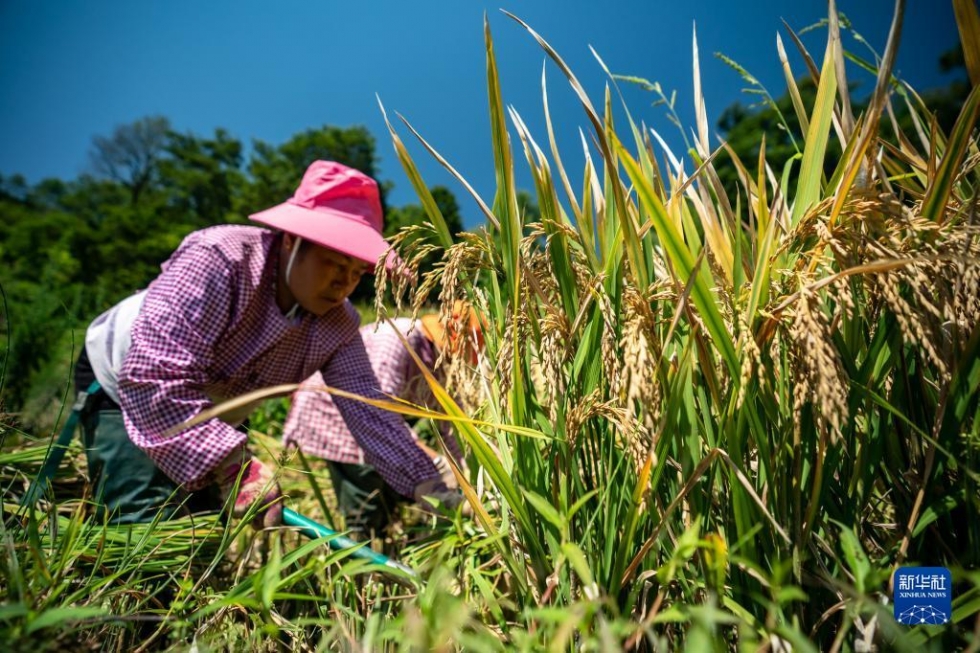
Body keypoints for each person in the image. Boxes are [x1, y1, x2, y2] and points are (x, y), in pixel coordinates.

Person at [75, 160, 460, 527]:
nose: (345, 284)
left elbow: (372, 416)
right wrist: (233, 465)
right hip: (125, 382)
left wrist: (438, 491)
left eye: (358, 272)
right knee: (146, 524)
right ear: (293, 240)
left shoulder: (338, 324)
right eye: (336, 264)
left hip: (216, 408)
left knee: (201, 529)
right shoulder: (219, 260)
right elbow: (155, 376)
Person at [282, 304, 483, 538]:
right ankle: (360, 565)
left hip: (380, 425)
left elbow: (452, 424)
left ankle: (388, 548)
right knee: (366, 503)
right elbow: (377, 416)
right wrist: (436, 462)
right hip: (338, 419)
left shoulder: (442, 362)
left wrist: (468, 472)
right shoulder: (396, 342)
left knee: (394, 492)